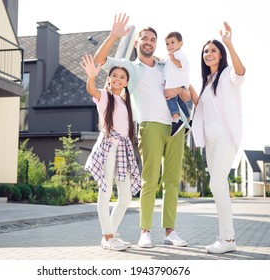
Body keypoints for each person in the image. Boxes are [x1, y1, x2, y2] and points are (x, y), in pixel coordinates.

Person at [94, 13, 191, 248]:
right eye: (144, 38)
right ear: (137, 42)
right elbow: (99, 60)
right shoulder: (130, 67)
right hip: (150, 125)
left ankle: (170, 232)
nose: (148, 42)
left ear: (155, 44)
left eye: (152, 39)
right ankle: (145, 231)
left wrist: (178, 91)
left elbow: (187, 94)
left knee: (171, 181)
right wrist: (113, 36)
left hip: (176, 127)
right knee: (150, 180)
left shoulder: (165, 64)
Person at [190, 22, 246, 254]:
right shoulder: (207, 83)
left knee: (215, 184)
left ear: (221, 55)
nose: (208, 54)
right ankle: (226, 238)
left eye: (213, 50)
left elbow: (241, 72)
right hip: (210, 141)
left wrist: (230, 43)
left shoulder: (227, 75)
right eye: (205, 51)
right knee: (219, 185)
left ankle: (228, 238)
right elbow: (201, 107)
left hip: (225, 137)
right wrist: (185, 89)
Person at [80, 54, 141, 251]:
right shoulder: (105, 96)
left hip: (122, 149)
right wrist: (91, 76)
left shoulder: (125, 102)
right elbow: (92, 90)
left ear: (126, 83)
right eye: (114, 75)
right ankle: (108, 236)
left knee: (125, 197)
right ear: (109, 78)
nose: (117, 79)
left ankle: (110, 235)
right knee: (105, 192)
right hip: (108, 147)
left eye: (122, 77)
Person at [162, 31, 192, 136]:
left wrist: (173, 59)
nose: (170, 45)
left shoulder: (178, 55)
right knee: (180, 102)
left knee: (169, 98)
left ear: (180, 43)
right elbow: (164, 63)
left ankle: (176, 120)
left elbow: (182, 65)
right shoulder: (170, 56)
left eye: (172, 42)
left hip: (175, 84)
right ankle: (188, 120)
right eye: (167, 43)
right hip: (176, 83)